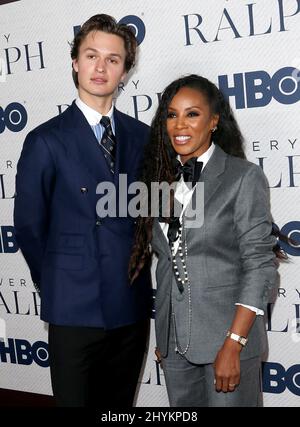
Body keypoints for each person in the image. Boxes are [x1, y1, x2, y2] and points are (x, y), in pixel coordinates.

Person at [14, 14, 151, 407]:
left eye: (113, 59)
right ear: (75, 62)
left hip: (130, 306)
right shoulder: (45, 140)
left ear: (124, 71)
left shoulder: (142, 137)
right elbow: (28, 226)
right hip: (72, 309)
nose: (101, 67)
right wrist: (60, 279)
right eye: (91, 55)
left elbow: (149, 214)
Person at [129, 74, 278, 407]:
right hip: (176, 345)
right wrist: (168, 331)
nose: (180, 124)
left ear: (213, 121)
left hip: (227, 342)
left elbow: (259, 265)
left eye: (192, 113)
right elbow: (167, 260)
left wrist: (234, 343)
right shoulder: (160, 184)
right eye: (171, 114)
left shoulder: (243, 177)